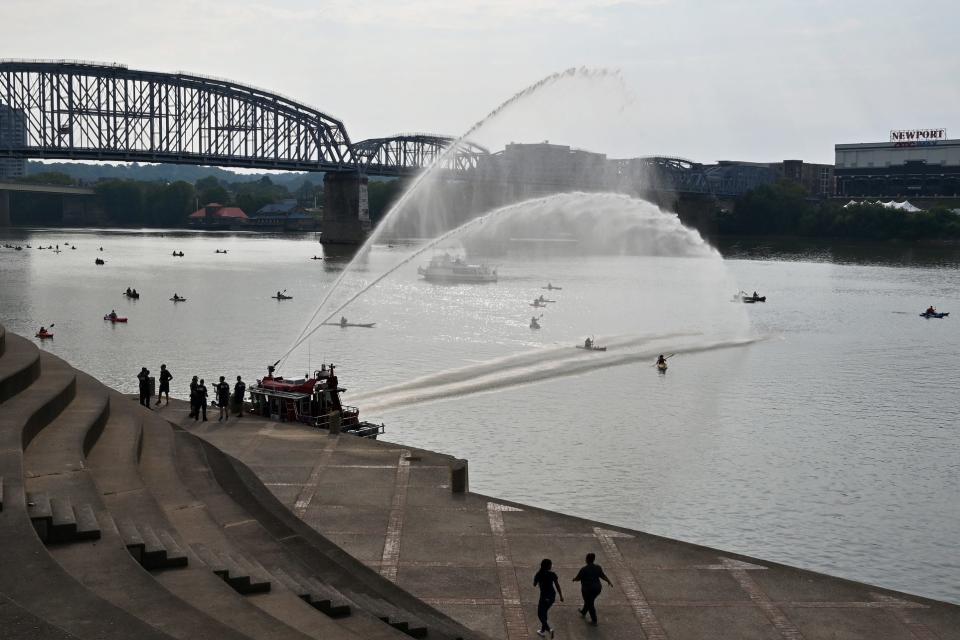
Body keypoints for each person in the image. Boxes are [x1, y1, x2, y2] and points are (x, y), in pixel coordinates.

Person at [573, 552, 612, 626]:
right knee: (589, 601)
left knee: (590, 603)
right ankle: (583, 612)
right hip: (597, 589)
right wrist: (608, 581)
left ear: (587, 559)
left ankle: (594, 621)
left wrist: (574, 579)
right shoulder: (598, 567)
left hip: (587, 589)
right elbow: (602, 576)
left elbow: (578, 578)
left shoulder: (584, 569)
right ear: (594, 559)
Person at [533, 558, 562, 638]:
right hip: (552, 596)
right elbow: (557, 585)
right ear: (549, 566)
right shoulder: (552, 574)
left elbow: (534, 584)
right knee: (544, 612)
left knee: (540, 614)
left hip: (544, 597)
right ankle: (542, 631)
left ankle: (549, 629)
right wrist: (561, 596)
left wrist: (538, 582)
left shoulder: (539, 574)